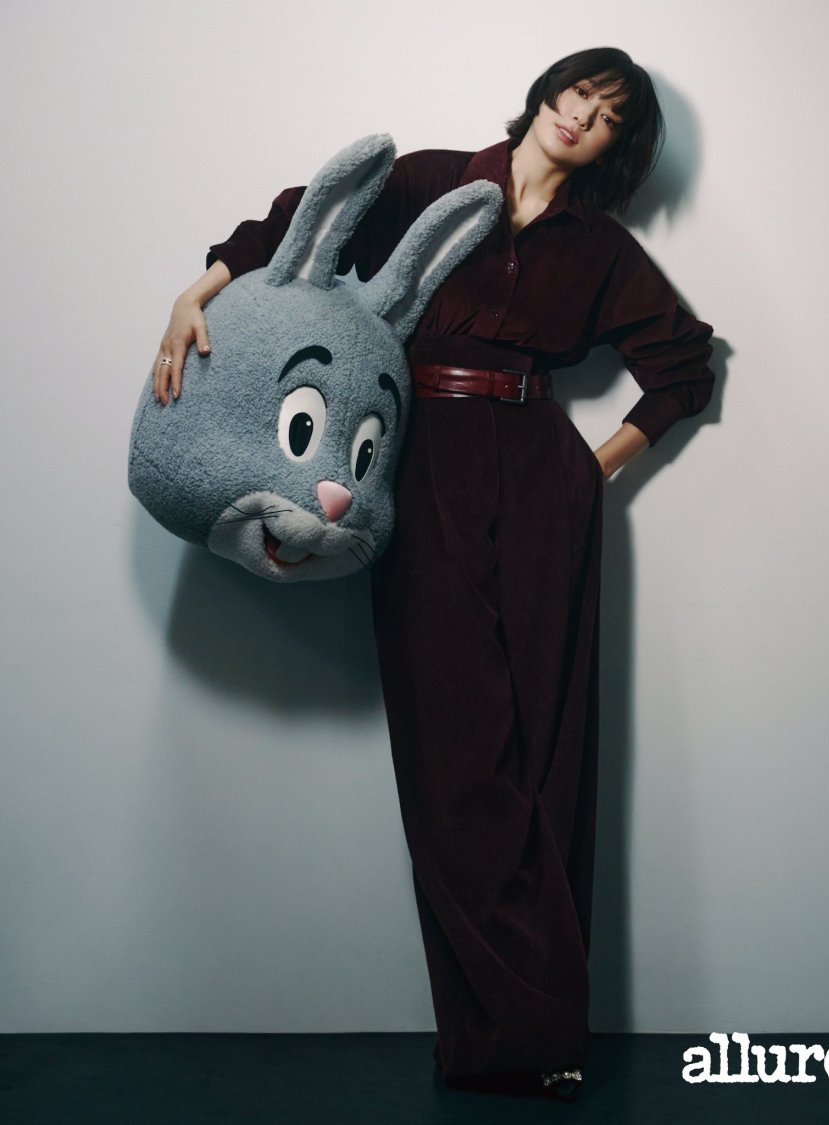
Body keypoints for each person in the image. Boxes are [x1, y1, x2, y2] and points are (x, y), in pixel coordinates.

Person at [151, 47, 715, 1100]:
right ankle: (513, 1031)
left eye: (606, 116)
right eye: (577, 93)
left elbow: (684, 367)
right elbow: (292, 226)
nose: (580, 117)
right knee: (455, 750)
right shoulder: (428, 182)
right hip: (421, 471)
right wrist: (199, 289)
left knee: (547, 745)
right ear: (545, 94)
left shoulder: (599, 249)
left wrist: (589, 469)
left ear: (615, 146)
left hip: (542, 482)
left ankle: (545, 1037)